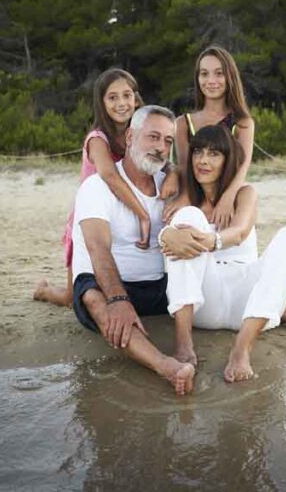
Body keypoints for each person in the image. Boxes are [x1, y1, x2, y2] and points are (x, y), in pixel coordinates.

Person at [161, 125, 286, 383]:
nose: (203, 160)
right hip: (203, 302)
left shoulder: (245, 194)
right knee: (187, 217)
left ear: (228, 160)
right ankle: (183, 342)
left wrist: (213, 240)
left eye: (214, 154)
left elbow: (239, 231)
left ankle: (242, 348)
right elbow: (170, 249)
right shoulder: (185, 200)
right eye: (198, 152)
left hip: (248, 305)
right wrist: (167, 233)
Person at [70, 105, 195, 395]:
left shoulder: (171, 186)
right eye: (152, 137)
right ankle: (166, 366)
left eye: (167, 141)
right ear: (129, 137)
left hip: (158, 287)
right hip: (109, 286)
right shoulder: (96, 186)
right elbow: (97, 247)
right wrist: (117, 298)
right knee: (92, 297)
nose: (160, 147)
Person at [34, 68, 177, 306]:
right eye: (112, 97)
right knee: (72, 297)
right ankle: (44, 291)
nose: (121, 103)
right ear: (102, 102)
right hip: (93, 217)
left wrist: (173, 172)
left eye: (127, 95)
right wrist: (143, 215)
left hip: (122, 215)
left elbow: (163, 160)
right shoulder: (97, 138)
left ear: (135, 97)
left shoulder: (140, 132)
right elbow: (110, 176)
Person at [171, 45, 255, 228]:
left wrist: (228, 199)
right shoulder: (183, 123)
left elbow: (243, 166)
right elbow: (185, 167)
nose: (211, 80)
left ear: (229, 76)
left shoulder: (242, 123)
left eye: (219, 73)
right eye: (204, 73)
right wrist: (185, 197)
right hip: (197, 205)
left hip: (229, 205)